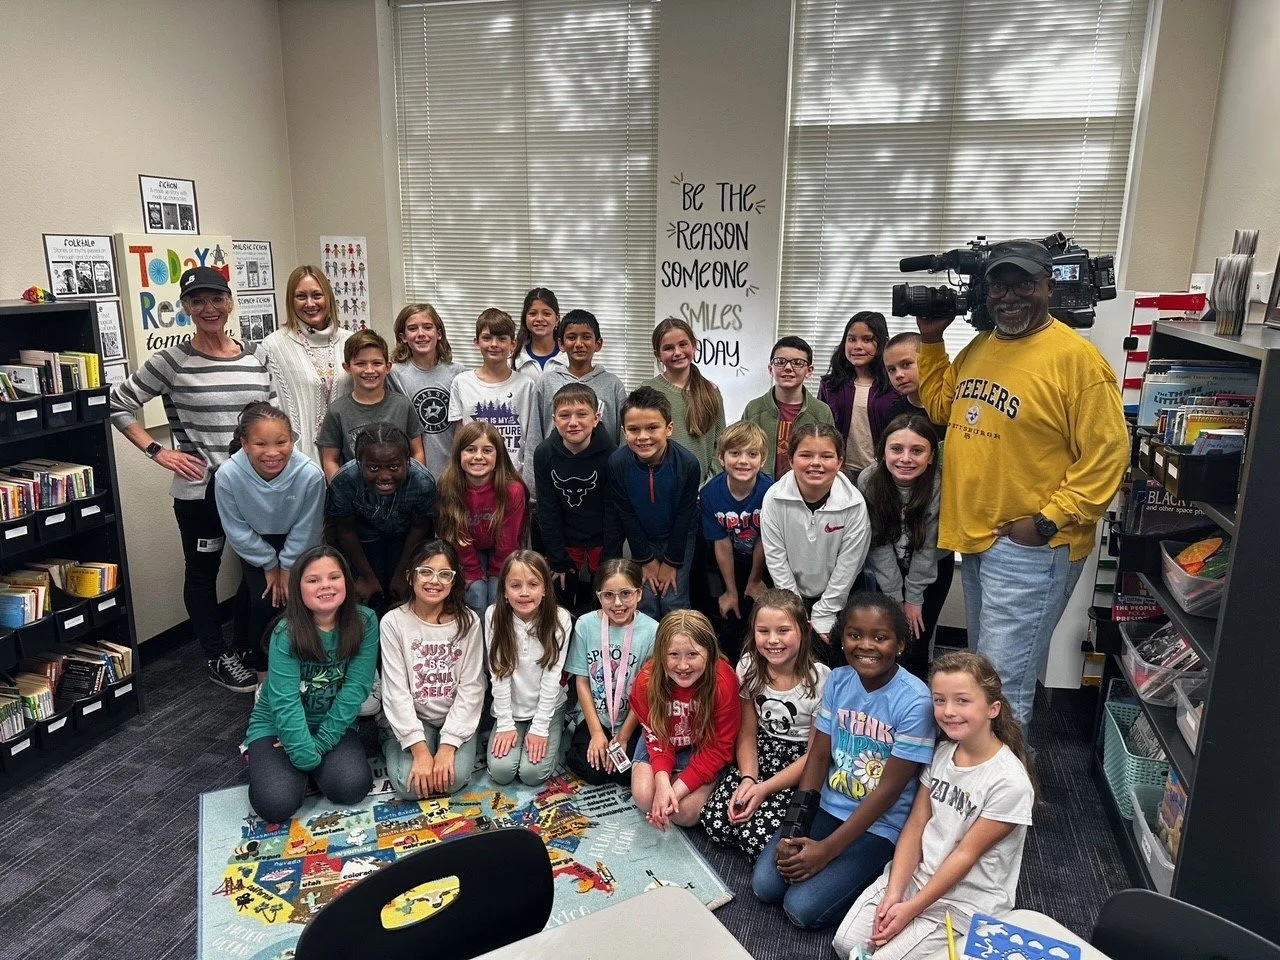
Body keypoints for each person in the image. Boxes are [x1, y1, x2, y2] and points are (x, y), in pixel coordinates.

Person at [914, 239, 1129, 724]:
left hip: (1030, 544)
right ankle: (978, 783)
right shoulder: (982, 346)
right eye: (999, 285)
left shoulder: (1077, 360)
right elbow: (942, 408)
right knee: (983, 677)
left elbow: (1108, 455)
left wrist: (1050, 523)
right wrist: (930, 341)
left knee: (1002, 688)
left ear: (1049, 285)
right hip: (980, 537)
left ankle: (1007, 797)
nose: (1009, 296)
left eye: (1023, 284)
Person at [109, 266, 274, 693]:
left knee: (255, 569)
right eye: (197, 301)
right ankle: (216, 656)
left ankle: (240, 647)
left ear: (229, 301)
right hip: (202, 492)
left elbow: (271, 419)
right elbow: (118, 404)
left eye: (216, 298)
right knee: (204, 571)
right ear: (185, 308)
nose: (209, 308)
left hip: (253, 488)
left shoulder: (255, 354)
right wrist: (157, 451)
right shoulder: (172, 361)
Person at [832, 651, 1035, 960]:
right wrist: (895, 891)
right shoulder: (943, 753)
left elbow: (965, 855)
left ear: (993, 708)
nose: (948, 711)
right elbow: (915, 826)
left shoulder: (1010, 782)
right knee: (846, 944)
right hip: (916, 876)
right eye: (939, 700)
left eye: (962, 701)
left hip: (963, 900)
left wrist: (911, 909)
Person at [752, 593, 936, 930]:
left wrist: (828, 851)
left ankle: (867, 874)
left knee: (801, 908)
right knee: (765, 886)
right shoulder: (838, 680)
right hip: (828, 806)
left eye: (880, 637)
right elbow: (819, 756)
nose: (866, 645)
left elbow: (889, 792)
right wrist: (795, 827)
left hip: (880, 824)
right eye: (855, 635)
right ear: (842, 639)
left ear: (900, 645)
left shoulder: (916, 702)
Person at [244, 546, 379, 824]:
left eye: (334, 577)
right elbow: (285, 703)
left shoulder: (365, 621)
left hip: (333, 724)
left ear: (346, 582)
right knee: (276, 804)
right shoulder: (286, 632)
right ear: (298, 588)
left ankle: (303, 770)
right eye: (313, 580)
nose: (325, 586)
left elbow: (356, 688)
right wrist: (305, 754)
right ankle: (276, 765)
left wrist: (318, 745)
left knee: (353, 787)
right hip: (278, 725)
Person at [701, 590, 831, 859]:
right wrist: (749, 778)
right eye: (763, 631)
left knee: (755, 840)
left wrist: (763, 789)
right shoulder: (749, 665)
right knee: (716, 823)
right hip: (760, 752)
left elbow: (814, 756)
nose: (773, 641)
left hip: (800, 764)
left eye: (784, 631)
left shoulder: (821, 679)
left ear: (805, 630)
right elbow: (747, 731)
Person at [214, 403, 326, 678]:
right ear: (245, 444)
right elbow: (236, 529)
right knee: (266, 600)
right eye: (261, 444)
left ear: (293, 440)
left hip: (298, 542)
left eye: (281, 442)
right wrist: (269, 564)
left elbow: (308, 526)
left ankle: (303, 663)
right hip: (254, 544)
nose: (273, 452)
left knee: (297, 599)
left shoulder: (310, 475)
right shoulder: (227, 475)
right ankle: (261, 668)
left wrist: (287, 566)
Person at [379, 539, 485, 799]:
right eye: (425, 572)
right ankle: (389, 737)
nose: (434, 581)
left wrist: (448, 747)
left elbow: (472, 687)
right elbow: (396, 691)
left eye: (444, 574)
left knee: (451, 779)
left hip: (455, 717)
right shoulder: (393, 622)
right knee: (411, 786)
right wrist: (420, 750)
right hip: (416, 717)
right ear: (410, 576)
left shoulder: (469, 621)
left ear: (453, 581)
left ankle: (444, 743)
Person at [760, 424, 871, 667]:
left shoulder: (854, 504)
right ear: (790, 460)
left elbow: (849, 565)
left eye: (827, 456)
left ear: (840, 462)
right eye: (806, 455)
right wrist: (795, 611)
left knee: (830, 660)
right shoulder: (774, 498)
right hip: (788, 593)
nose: (816, 463)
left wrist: (824, 614)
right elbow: (776, 559)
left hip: (837, 596)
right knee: (783, 658)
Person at [629, 609, 741, 830]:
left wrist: (675, 790)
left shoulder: (724, 681)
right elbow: (657, 737)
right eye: (673, 655)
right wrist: (663, 785)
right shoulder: (646, 682)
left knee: (685, 813)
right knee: (644, 798)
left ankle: (701, 781)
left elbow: (719, 747)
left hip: (704, 744)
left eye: (692, 655)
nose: (682, 666)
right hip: (664, 739)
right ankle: (670, 780)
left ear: (709, 652)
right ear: (661, 654)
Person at [856, 414, 946, 681]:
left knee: (917, 640)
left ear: (930, 456)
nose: (905, 458)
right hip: (884, 567)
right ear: (882, 452)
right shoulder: (868, 481)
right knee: (885, 636)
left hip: (930, 568)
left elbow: (928, 547)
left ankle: (915, 706)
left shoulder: (939, 484)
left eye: (917, 451)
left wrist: (914, 598)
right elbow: (877, 543)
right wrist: (896, 596)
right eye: (896, 449)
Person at [605, 387, 701, 620]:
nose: (643, 437)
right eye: (634, 429)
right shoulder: (617, 463)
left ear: (669, 429)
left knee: (672, 598)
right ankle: (647, 654)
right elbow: (625, 514)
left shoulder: (688, 464)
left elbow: (685, 515)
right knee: (644, 597)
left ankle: (677, 652)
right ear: (623, 431)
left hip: (677, 537)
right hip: (641, 538)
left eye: (652, 428)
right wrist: (646, 559)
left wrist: (670, 562)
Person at [564, 559, 659, 786]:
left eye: (626, 593)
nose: (617, 603)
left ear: (639, 594)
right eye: (608, 595)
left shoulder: (652, 630)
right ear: (598, 596)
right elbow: (582, 682)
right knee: (594, 773)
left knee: (624, 774)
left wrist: (624, 737)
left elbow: (646, 691)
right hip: (596, 717)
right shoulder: (585, 625)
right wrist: (597, 733)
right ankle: (574, 735)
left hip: (632, 719)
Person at [484, 551, 573, 786]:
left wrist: (540, 727)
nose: (524, 592)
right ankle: (519, 732)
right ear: (504, 591)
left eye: (533, 584)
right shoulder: (494, 616)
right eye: (515, 585)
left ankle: (561, 733)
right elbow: (498, 674)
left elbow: (552, 677)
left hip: (547, 709)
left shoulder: (560, 618)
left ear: (544, 589)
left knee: (532, 775)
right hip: (511, 710)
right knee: (502, 772)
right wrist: (504, 723)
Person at [326, 423, 436, 612]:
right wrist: (366, 577)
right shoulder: (344, 481)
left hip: (405, 539)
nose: (385, 476)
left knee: (401, 595)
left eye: (394, 467)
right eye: (374, 468)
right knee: (369, 597)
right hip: (361, 542)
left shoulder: (423, 482)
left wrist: (403, 574)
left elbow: (420, 528)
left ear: (407, 461)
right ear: (360, 463)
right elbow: (345, 531)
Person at [533, 383, 616, 613]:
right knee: (561, 603)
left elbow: (613, 511)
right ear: (554, 419)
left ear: (596, 417)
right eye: (564, 415)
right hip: (564, 540)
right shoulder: (544, 454)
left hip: (601, 539)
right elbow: (547, 510)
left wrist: (608, 560)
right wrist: (558, 559)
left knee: (602, 603)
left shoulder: (611, 455)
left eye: (582, 414)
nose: (573, 422)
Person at [258, 266, 352, 463]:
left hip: (347, 458)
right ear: (291, 302)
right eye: (301, 296)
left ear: (328, 297)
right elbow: (268, 408)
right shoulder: (274, 346)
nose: (310, 304)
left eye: (317, 295)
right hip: (299, 461)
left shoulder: (349, 342)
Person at [436, 421, 529, 616]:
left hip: (503, 550)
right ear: (459, 454)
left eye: (487, 450)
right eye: (470, 450)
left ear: (499, 456)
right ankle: (476, 642)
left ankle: (498, 642)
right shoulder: (448, 486)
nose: (478, 457)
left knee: (497, 596)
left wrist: (498, 574)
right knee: (476, 593)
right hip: (467, 550)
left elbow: (508, 541)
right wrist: (473, 573)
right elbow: (456, 535)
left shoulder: (513, 490)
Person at [700, 421, 773, 662]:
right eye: (735, 453)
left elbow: (766, 539)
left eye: (752, 454)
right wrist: (731, 591)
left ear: (762, 460)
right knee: (729, 612)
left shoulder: (771, 491)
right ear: (721, 457)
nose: (743, 461)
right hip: (729, 560)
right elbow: (721, 545)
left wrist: (754, 581)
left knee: (760, 612)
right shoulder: (711, 493)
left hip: (764, 561)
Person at [317, 330, 425, 482]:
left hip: (400, 494)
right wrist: (342, 492)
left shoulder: (403, 405)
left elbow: (417, 452)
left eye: (377, 363)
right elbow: (330, 460)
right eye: (360, 364)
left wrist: (414, 485)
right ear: (348, 367)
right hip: (355, 497)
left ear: (388, 367)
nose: (369, 370)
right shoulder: (337, 411)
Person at [525, 309, 629, 454]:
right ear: (561, 344)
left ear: (598, 344)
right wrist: (531, 475)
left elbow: (624, 437)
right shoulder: (547, 383)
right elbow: (534, 436)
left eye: (586, 337)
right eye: (572, 337)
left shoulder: (613, 385)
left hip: (603, 472)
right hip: (555, 470)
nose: (579, 344)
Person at [448, 308, 538, 472]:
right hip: (473, 476)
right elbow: (459, 438)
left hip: (513, 476)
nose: (494, 344)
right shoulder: (461, 383)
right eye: (487, 338)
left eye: (502, 339)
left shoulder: (527, 385)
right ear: (477, 342)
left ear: (513, 344)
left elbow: (532, 439)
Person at [642, 317, 726, 484]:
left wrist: (708, 487)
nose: (677, 352)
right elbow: (632, 445)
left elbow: (721, 445)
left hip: (701, 494)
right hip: (657, 491)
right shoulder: (646, 392)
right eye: (668, 348)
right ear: (657, 355)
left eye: (683, 344)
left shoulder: (711, 392)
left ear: (694, 346)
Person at [818, 312, 899, 479]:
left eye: (867, 340)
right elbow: (822, 430)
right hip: (839, 472)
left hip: (881, 473)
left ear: (882, 343)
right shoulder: (830, 385)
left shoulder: (895, 387)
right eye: (852, 339)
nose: (857, 346)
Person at [389, 303, 464, 479]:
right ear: (403, 337)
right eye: (413, 329)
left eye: (428, 327)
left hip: (452, 473)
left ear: (439, 334)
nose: (421, 334)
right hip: (412, 473)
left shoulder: (459, 374)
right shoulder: (393, 375)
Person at [742, 335, 835, 478]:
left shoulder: (821, 412)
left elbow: (828, 455)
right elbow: (742, 450)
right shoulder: (754, 408)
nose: (788, 368)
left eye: (797, 362)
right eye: (780, 362)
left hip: (805, 489)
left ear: (809, 371)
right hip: (760, 488)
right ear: (770, 369)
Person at [881, 332, 946, 440]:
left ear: (926, 362)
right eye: (891, 370)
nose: (898, 375)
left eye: (906, 364)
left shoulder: (949, 407)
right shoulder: (893, 414)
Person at [512, 286, 570, 379]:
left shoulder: (568, 357)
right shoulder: (514, 358)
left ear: (557, 319)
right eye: (533, 313)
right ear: (525, 318)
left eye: (546, 314)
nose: (539, 319)